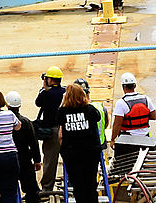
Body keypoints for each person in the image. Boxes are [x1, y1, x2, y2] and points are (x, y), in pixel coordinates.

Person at [59, 82, 103, 203]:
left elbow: (58, 127)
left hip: (72, 154)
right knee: (91, 185)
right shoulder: (89, 110)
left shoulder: (63, 112)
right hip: (90, 153)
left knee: (78, 187)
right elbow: (97, 117)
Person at [7, 91, 42, 203]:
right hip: (24, 159)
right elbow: (33, 142)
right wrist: (37, 160)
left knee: (7, 189)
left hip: (8, 158)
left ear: (7, 105)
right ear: (20, 106)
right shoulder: (25, 122)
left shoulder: (3, 121)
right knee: (32, 190)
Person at [36, 65, 66, 194]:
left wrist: (44, 87)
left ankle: (47, 188)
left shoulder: (46, 93)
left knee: (49, 161)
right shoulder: (65, 92)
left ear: (49, 79)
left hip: (52, 130)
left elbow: (37, 103)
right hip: (66, 129)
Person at [111, 71, 150, 162]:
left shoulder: (121, 103)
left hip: (127, 140)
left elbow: (117, 124)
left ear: (123, 87)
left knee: (123, 166)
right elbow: (153, 115)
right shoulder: (146, 99)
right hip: (145, 138)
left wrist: (113, 139)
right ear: (135, 85)